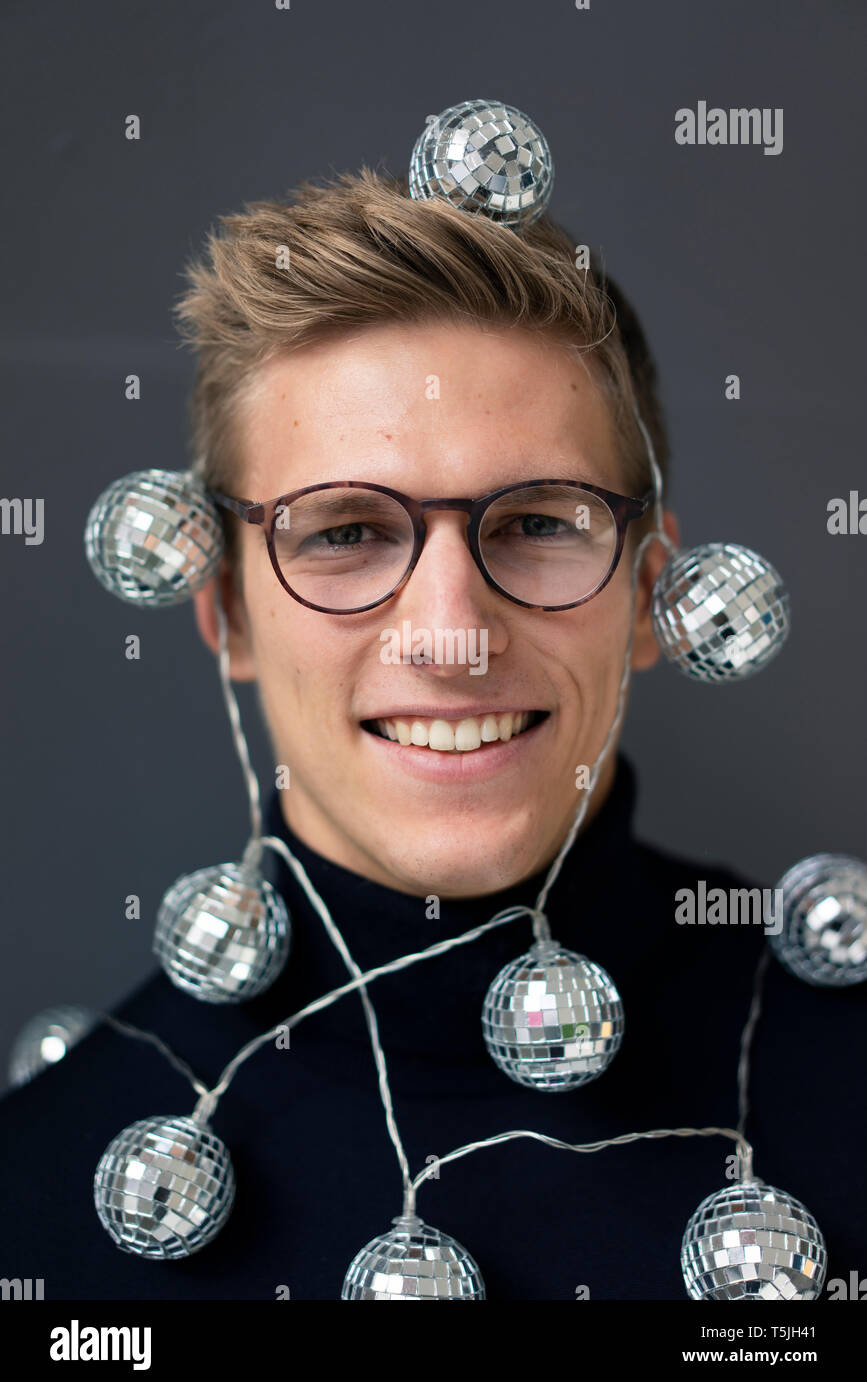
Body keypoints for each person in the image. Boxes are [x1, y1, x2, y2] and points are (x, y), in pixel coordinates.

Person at [0, 168, 863, 1301]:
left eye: (541, 522)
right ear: (226, 613)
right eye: (346, 532)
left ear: (655, 591)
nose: (452, 637)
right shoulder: (41, 1200)